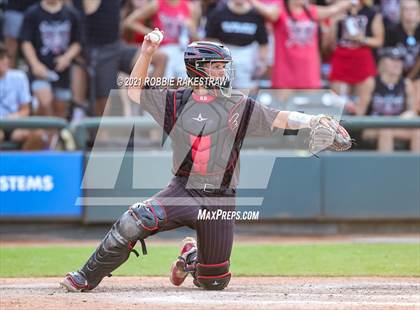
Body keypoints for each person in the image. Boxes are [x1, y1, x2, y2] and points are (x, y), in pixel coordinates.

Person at [60, 30, 351, 292]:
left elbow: (279, 117)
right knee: (136, 219)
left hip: (220, 199)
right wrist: (147, 51)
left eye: (224, 65)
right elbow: (134, 91)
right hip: (183, 189)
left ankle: (191, 257)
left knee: (214, 282)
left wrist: (313, 119)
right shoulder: (174, 100)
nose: (223, 71)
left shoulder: (237, 103)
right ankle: (85, 276)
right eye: (216, 66)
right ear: (197, 69)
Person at [249, 0, 354, 91]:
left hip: (309, 73)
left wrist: (353, 1)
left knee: (309, 111)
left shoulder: (312, 11)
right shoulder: (280, 10)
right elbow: (266, 11)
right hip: (285, 73)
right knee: (284, 110)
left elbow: (334, 9)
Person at [20, 0, 81, 119]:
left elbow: (78, 42)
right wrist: (35, 64)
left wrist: (66, 57)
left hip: (63, 72)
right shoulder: (32, 13)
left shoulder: (71, 14)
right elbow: (25, 41)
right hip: (40, 70)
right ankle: (45, 135)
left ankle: (56, 136)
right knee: (44, 102)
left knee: (61, 107)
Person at [356, 47, 419, 152]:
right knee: (386, 130)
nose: (397, 63)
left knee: (418, 132)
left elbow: (412, 111)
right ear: (382, 62)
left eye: (399, 60)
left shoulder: (407, 84)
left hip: (398, 124)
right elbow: (359, 113)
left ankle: (415, 167)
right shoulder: (371, 82)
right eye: (392, 60)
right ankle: (386, 167)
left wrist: (408, 115)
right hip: (373, 126)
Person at [205, 0, 269, 92]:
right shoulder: (218, 12)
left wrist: (262, 62)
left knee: (246, 94)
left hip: (248, 56)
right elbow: (210, 39)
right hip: (224, 55)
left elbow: (263, 43)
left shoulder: (256, 15)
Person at [0, 43, 46, 151]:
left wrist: (13, 117)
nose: (5, 60)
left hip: (16, 123)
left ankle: (19, 166)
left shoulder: (19, 77)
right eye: (1, 58)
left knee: (38, 135)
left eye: (7, 57)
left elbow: (25, 110)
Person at [3, 0, 39, 68]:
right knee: (10, 49)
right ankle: (8, 74)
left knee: (39, 45)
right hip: (15, 9)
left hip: (38, 8)